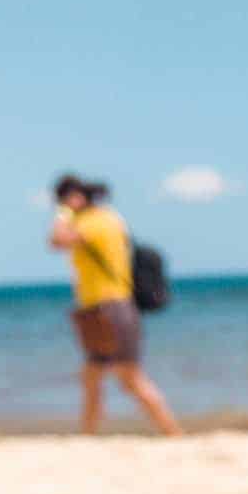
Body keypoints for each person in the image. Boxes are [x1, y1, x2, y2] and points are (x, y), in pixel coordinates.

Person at [48, 175, 181, 436]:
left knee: (130, 377)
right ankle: (87, 436)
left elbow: (57, 240)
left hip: (112, 307)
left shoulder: (98, 220)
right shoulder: (98, 219)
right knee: (91, 377)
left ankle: (172, 432)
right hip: (95, 309)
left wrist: (63, 213)